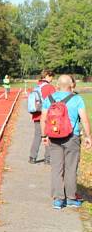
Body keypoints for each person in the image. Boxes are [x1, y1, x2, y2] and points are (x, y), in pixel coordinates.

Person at [41, 74, 92, 210]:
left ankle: (58, 199)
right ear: (72, 85)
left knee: (56, 168)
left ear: (57, 85)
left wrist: (43, 136)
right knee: (71, 168)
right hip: (72, 137)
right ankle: (70, 198)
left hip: (54, 137)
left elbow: (43, 118)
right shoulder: (77, 99)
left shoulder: (49, 99)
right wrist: (88, 136)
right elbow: (85, 119)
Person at [29, 70, 55, 164]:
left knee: (37, 136)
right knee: (48, 136)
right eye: (52, 77)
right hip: (47, 115)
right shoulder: (50, 87)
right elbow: (54, 101)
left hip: (36, 115)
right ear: (47, 76)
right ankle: (48, 159)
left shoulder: (36, 86)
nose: (52, 79)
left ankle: (32, 157)